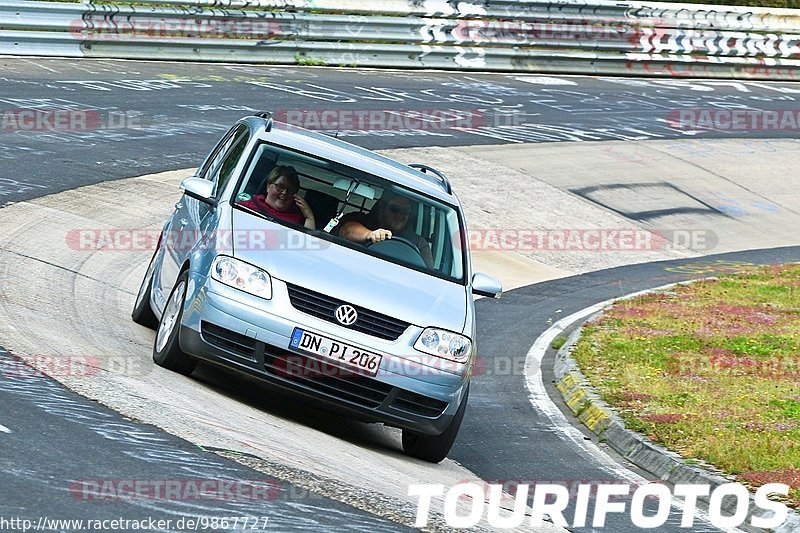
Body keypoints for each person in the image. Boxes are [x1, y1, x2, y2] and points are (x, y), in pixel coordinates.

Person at [337, 191, 433, 268]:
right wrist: (370, 235)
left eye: (406, 211)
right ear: (382, 206)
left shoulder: (419, 243)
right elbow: (347, 230)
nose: (400, 215)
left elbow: (428, 278)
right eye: (395, 209)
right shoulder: (359, 219)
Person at [238, 165, 316, 229]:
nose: (284, 192)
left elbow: (307, 242)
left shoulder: (297, 217)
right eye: (280, 187)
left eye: (290, 189)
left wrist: (309, 217)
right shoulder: (248, 204)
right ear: (268, 186)